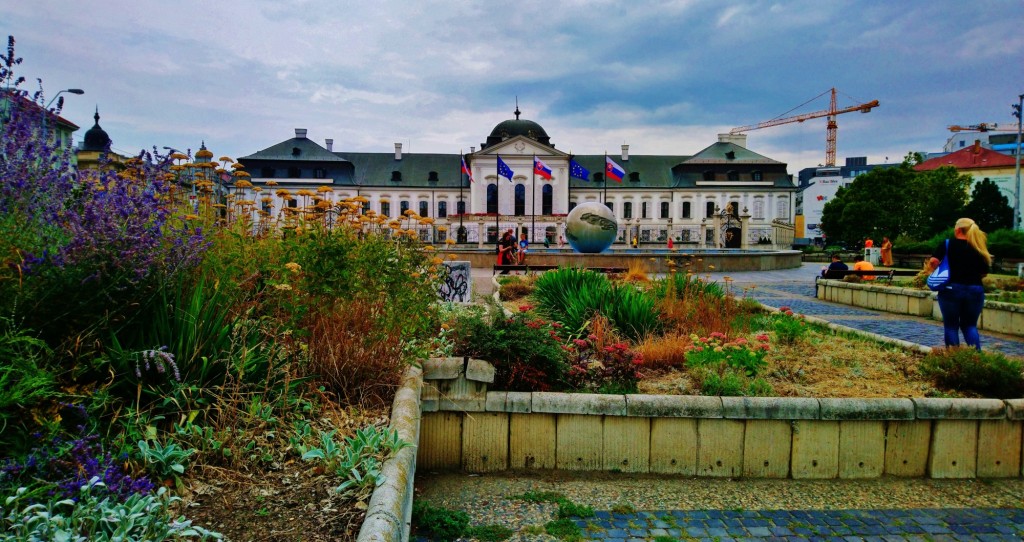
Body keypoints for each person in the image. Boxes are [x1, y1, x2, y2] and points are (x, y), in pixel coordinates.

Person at [928, 218, 992, 350]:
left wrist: (940, 269)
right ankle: (975, 358)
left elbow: (933, 261)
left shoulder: (947, 244)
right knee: (969, 326)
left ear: (957, 230)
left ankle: (954, 358)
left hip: (951, 288)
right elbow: (984, 272)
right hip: (975, 289)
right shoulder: (979, 247)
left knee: (951, 326)